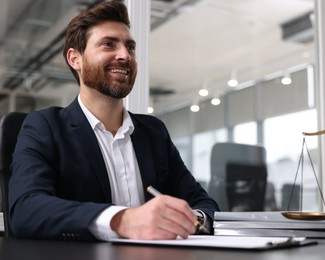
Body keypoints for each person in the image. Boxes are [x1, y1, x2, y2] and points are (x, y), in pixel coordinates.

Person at [9, 0, 219, 242]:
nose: (124, 55)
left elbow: (204, 204)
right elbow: (26, 210)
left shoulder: (154, 132)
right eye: (108, 44)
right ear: (75, 59)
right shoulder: (44, 126)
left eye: (130, 47)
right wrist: (122, 220)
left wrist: (194, 220)